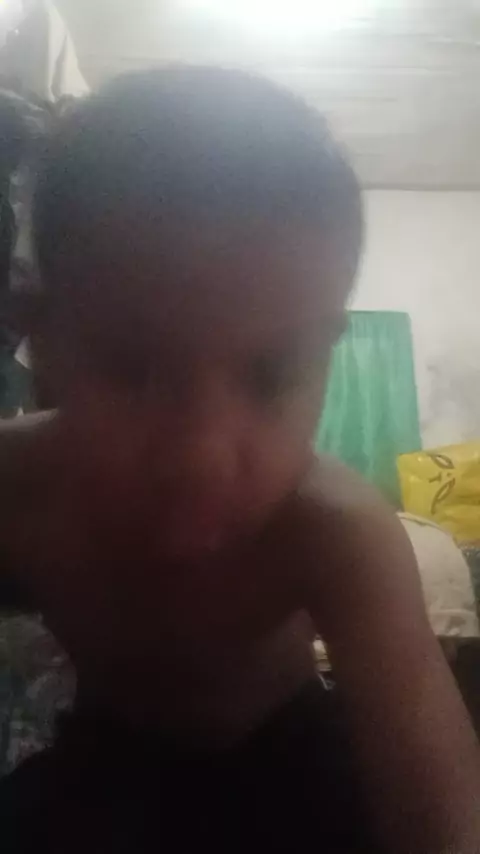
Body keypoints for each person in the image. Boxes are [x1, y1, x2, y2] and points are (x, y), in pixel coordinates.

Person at [0, 67, 479, 853]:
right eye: (132, 368)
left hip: (291, 761)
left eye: (272, 375)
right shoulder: (14, 488)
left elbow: (440, 820)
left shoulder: (336, 531)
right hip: (105, 757)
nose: (202, 456)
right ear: (39, 336)